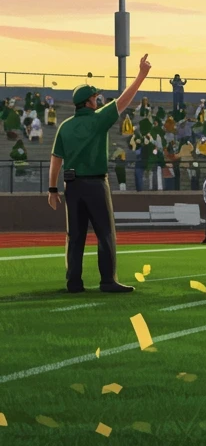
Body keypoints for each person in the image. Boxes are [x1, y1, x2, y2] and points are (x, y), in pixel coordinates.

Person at [47, 54, 152, 293]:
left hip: (72, 185)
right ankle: (107, 280)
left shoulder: (65, 127)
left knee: (74, 236)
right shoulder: (98, 120)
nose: (98, 99)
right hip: (95, 184)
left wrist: (52, 189)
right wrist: (141, 76)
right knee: (105, 233)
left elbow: (56, 159)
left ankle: (74, 282)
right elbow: (123, 101)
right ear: (88, 102)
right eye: (95, 97)